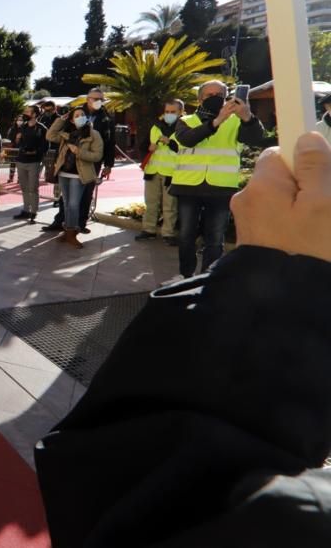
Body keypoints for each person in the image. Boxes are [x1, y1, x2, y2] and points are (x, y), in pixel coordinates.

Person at [37, 132, 331, 547]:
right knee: (188, 237)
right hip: (191, 190)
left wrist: (276, 281)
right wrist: (282, 284)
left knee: (209, 238)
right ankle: (197, 272)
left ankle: (208, 271)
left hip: (218, 197)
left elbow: (118, 487)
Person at [169, 80, 265, 279]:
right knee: (186, 236)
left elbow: (256, 138)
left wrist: (246, 115)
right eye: (208, 95)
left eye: (218, 95)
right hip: (188, 187)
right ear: (199, 99)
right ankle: (185, 276)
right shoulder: (186, 120)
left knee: (214, 238)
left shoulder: (237, 121)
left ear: (226, 97)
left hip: (221, 188)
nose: (213, 98)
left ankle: (207, 279)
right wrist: (216, 121)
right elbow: (187, 139)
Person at [42, 88, 115, 233]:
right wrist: (61, 119)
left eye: (101, 99)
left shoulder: (106, 118)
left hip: (91, 160)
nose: (98, 101)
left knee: (86, 193)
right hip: (69, 161)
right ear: (88, 99)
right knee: (67, 196)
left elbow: (110, 142)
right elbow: (58, 133)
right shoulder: (76, 112)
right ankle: (60, 221)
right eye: (95, 98)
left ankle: (80, 224)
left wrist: (109, 164)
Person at [47, 107, 104, 249]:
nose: (80, 117)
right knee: (66, 203)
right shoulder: (66, 134)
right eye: (77, 115)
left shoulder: (94, 134)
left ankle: (72, 233)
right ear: (72, 120)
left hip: (79, 174)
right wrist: (61, 120)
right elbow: (49, 135)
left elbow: (97, 155)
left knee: (73, 204)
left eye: (82, 115)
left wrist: (79, 151)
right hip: (63, 173)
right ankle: (67, 231)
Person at [136, 100, 183, 244]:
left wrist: (170, 142)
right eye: (167, 111)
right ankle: (148, 230)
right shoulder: (155, 127)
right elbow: (142, 146)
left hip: (172, 173)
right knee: (151, 203)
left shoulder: (185, 128)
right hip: (152, 171)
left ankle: (168, 233)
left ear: (180, 112)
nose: (169, 114)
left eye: (173, 112)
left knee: (170, 206)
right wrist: (148, 148)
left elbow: (186, 151)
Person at [12, 103, 48, 222]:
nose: (25, 114)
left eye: (28, 112)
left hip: (34, 162)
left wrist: (35, 152)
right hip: (21, 160)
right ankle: (26, 210)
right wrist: (17, 139)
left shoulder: (42, 128)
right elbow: (18, 143)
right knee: (24, 187)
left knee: (33, 188)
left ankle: (34, 212)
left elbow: (45, 147)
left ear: (35, 114)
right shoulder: (23, 127)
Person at [4, 114, 23, 183]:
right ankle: (11, 177)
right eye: (18, 120)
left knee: (20, 165)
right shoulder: (12, 128)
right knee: (12, 164)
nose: (19, 121)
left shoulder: (25, 128)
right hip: (13, 148)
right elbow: (9, 137)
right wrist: (15, 137)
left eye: (21, 120)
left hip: (21, 149)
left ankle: (19, 178)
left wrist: (20, 137)